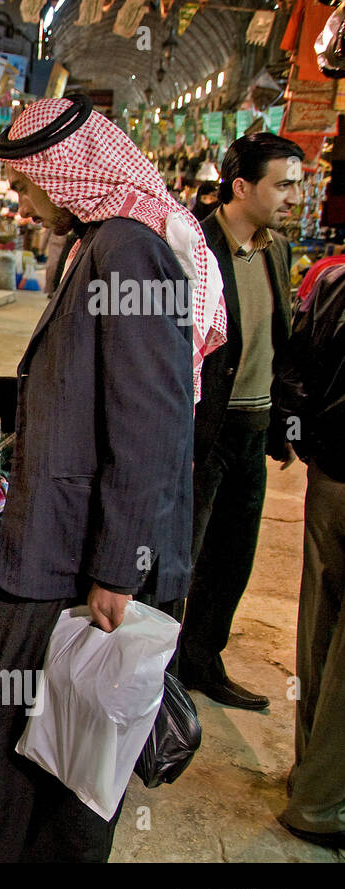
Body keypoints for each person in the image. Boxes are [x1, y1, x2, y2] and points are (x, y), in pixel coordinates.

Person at [0, 95, 222, 862]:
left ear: (66, 176)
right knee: (23, 730)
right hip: (60, 543)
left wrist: (119, 569)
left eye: (26, 188)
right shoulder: (102, 240)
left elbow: (152, 424)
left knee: (7, 730)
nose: (23, 205)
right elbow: (88, 389)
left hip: (76, 555)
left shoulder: (127, 248)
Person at [172, 134, 301, 710]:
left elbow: (280, 339)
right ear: (242, 186)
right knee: (182, 556)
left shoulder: (276, 249)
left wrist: (285, 420)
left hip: (253, 426)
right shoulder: (193, 246)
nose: (292, 196)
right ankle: (160, 670)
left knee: (233, 557)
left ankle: (202, 659)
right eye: (283, 184)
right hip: (205, 430)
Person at [270, 258, 345, 848]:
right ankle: (323, 803)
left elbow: (295, 370)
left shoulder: (331, 279)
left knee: (321, 622)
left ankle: (310, 777)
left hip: (331, 474)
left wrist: (307, 439)